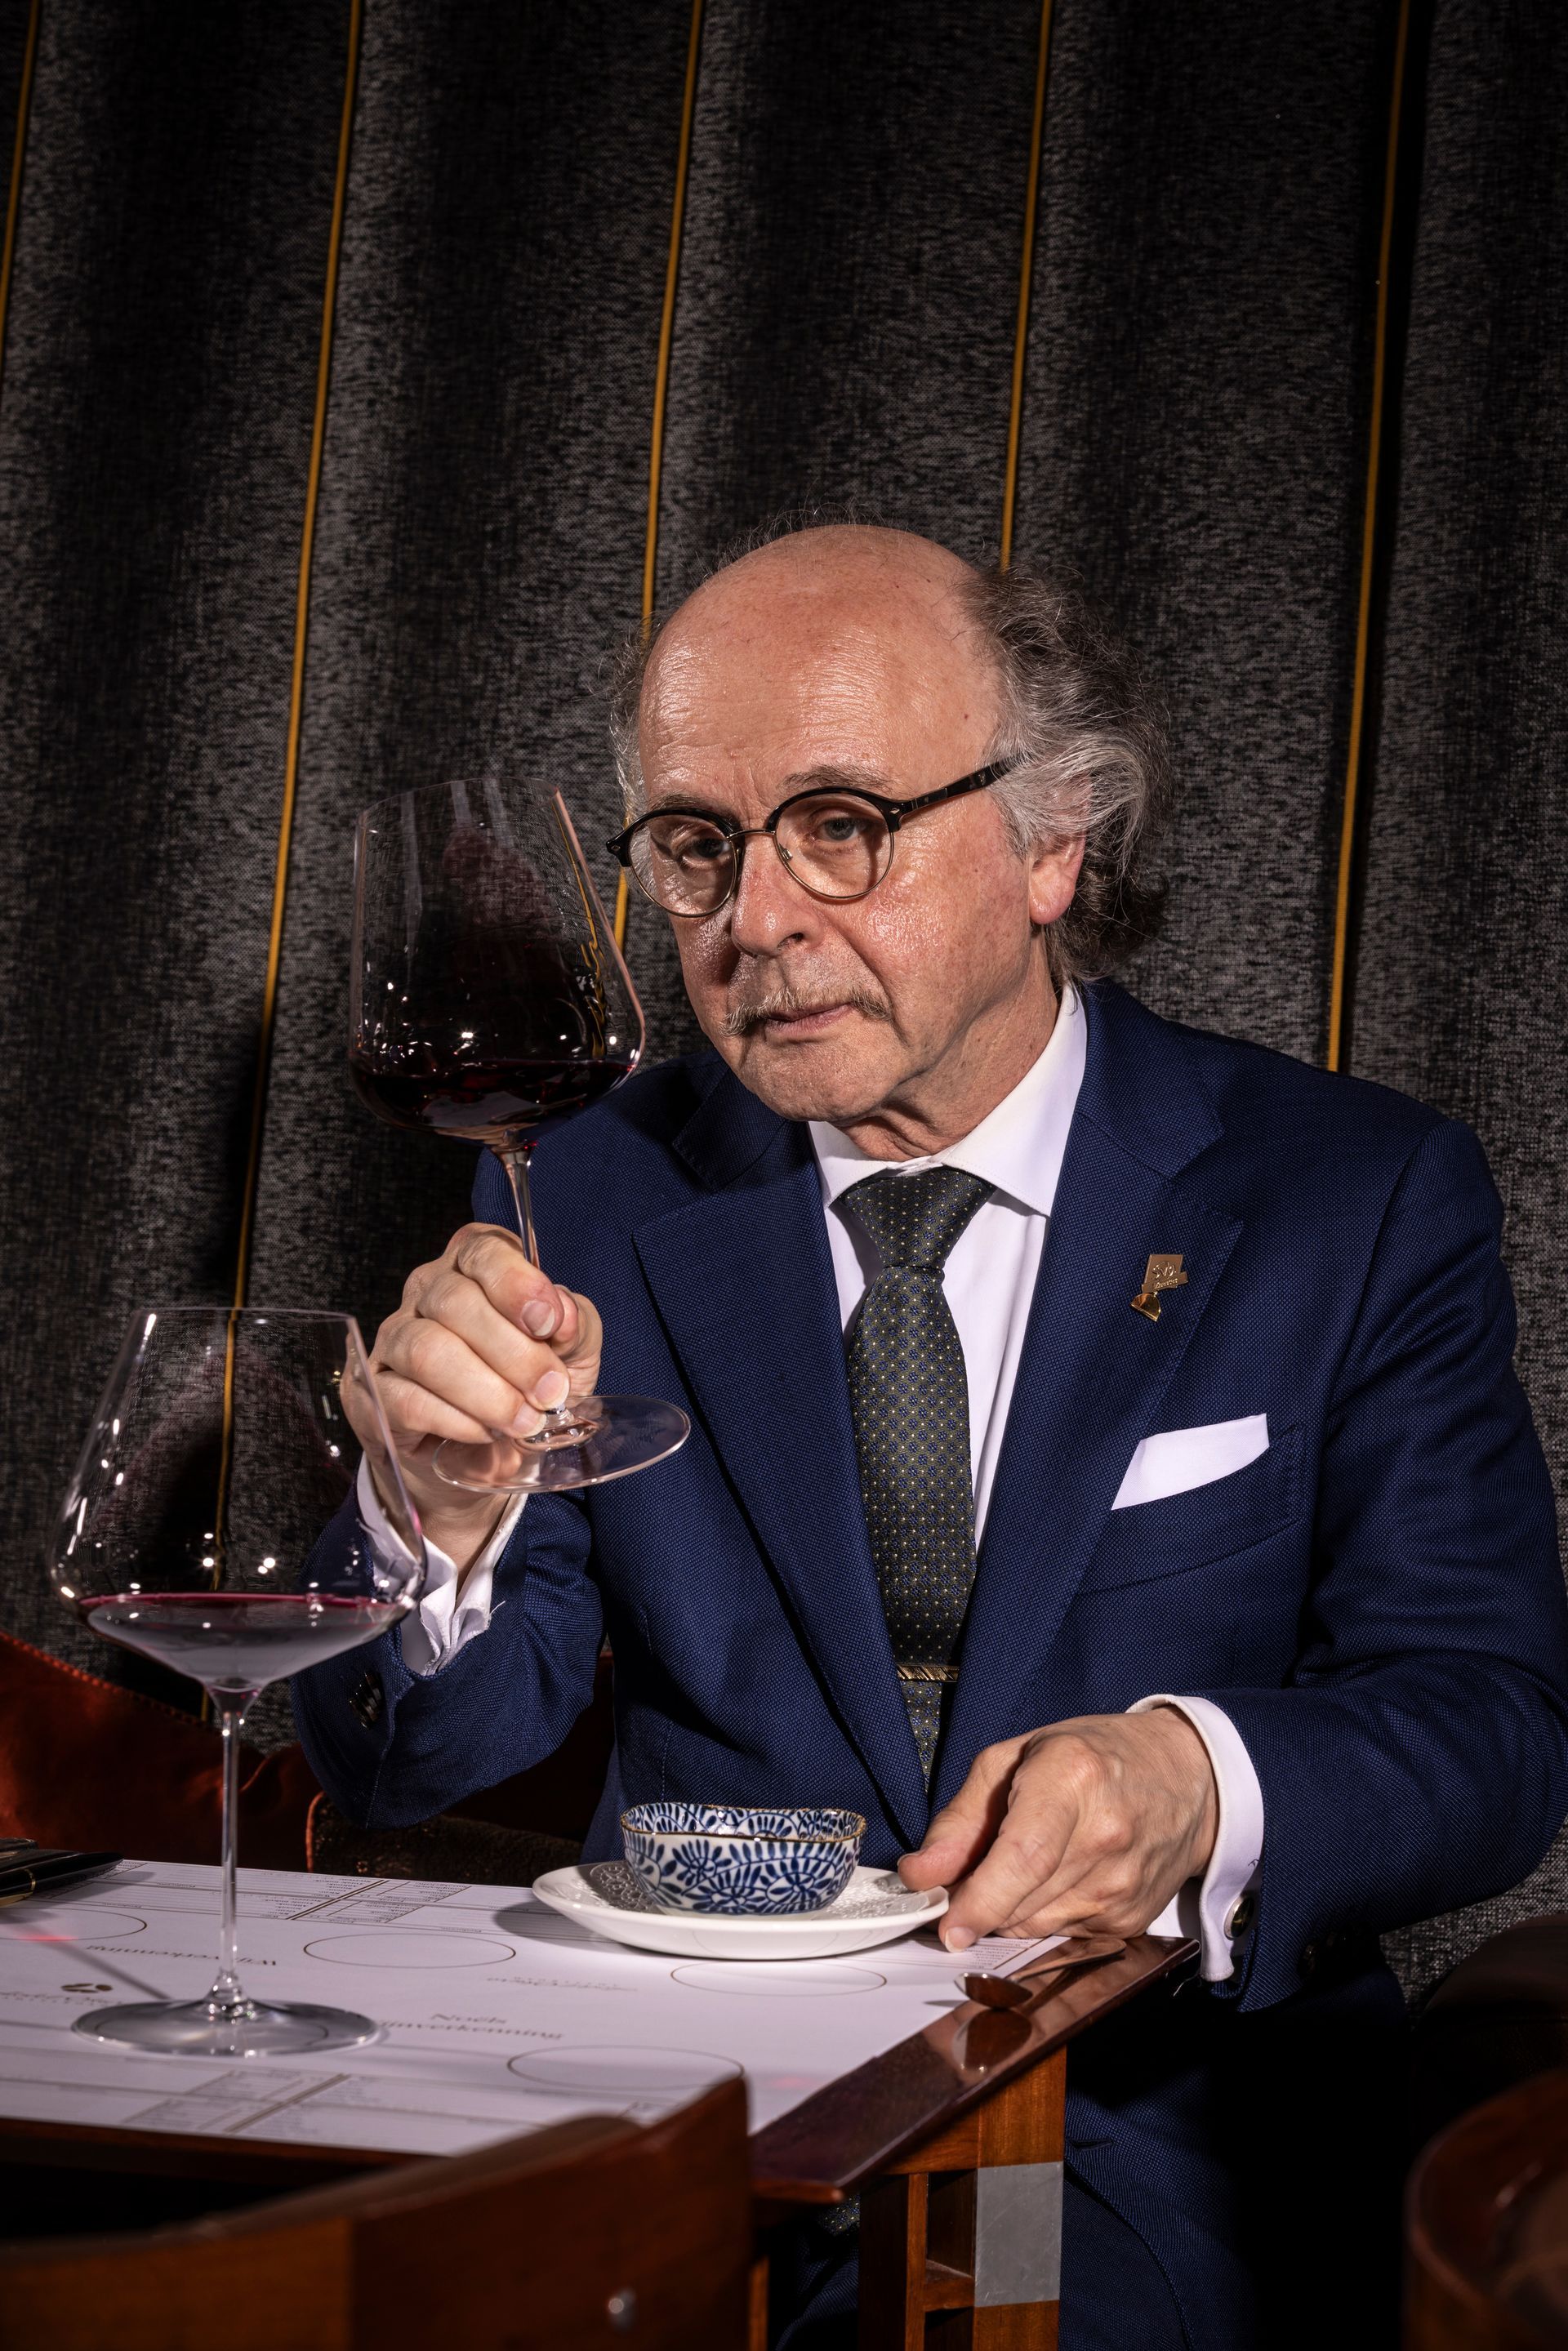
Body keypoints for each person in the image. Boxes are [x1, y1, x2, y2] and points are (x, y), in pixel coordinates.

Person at [295, 523, 1568, 2349]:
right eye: (697, 848)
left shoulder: (1351, 1199)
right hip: (666, 2127)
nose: (758, 924)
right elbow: (408, 1762)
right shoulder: (577, 1190)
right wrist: (434, 1521)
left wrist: (1196, 1781)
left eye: (842, 825)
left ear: (1053, 842)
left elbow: (1491, 1726)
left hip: (1135, 2138)